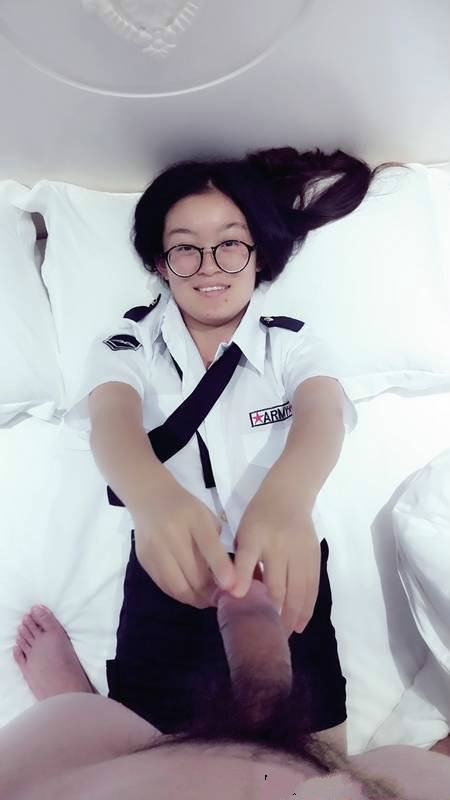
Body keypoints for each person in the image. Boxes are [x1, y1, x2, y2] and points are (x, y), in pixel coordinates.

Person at [55, 146, 399, 750]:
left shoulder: (291, 343)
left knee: (317, 766)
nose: (209, 266)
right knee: (143, 760)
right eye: (185, 247)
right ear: (159, 262)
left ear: (258, 254)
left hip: (283, 559)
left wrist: (289, 498)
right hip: (174, 560)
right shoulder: (126, 343)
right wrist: (151, 499)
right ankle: (73, 694)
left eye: (230, 244)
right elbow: (111, 421)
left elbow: (322, 414)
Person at [9, 577, 450, 799]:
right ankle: (268, 700)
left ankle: (75, 706)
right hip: (327, 773)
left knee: (72, 730)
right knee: (400, 775)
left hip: (141, 761)